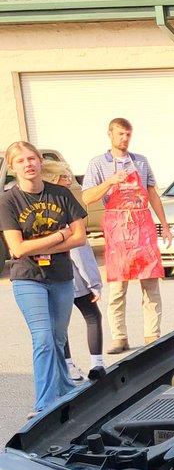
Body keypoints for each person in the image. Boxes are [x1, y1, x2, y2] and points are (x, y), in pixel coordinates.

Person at [0, 142, 87, 417]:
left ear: (40, 161)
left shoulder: (61, 194)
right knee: (43, 339)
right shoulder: (7, 201)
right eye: (21, 161)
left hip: (61, 275)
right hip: (28, 277)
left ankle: (63, 391)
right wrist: (59, 236)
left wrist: (39, 245)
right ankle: (44, 405)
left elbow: (81, 237)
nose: (28, 164)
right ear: (12, 168)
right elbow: (18, 249)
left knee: (58, 338)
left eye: (31, 158)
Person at [81, 118, 171, 353]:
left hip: (142, 224)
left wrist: (165, 225)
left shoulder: (140, 161)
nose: (124, 138)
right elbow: (87, 197)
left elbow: (152, 193)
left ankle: (153, 335)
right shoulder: (98, 164)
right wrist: (111, 181)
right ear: (110, 134)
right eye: (120, 134)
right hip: (117, 226)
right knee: (118, 287)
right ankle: (119, 337)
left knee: (150, 284)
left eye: (128, 134)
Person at [42, 159, 106, 381]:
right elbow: (81, 253)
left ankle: (68, 365)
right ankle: (97, 363)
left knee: (60, 322)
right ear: (53, 180)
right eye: (64, 176)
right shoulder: (66, 204)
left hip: (48, 274)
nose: (70, 180)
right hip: (74, 277)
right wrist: (94, 283)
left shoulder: (40, 206)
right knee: (92, 315)